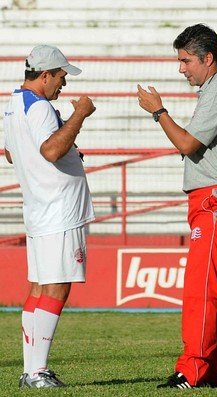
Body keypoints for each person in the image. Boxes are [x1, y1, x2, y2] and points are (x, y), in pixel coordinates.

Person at [137, 23, 217, 389]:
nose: (181, 68)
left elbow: (188, 144)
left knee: (203, 288)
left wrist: (159, 113)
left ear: (208, 58)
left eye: (186, 60)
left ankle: (192, 369)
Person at [3, 45, 96, 388]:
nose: (64, 84)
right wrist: (80, 115)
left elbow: (12, 153)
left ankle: (30, 370)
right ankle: (37, 371)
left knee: (40, 287)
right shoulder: (40, 106)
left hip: (39, 208)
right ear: (44, 75)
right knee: (56, 287)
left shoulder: (14, 104)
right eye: (60, 77)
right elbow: (52, 150)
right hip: (57, 209)